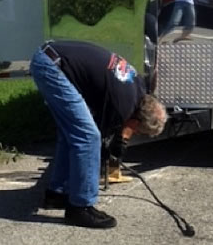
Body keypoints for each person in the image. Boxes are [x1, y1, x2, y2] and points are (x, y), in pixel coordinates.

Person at [30, 40, 167, 229]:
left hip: (50, 57)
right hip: (54, 67)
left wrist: (114, 142)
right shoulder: (122, 106)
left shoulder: (138, 88)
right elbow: (97, 138)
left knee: (70, 133)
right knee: (88, 138)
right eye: (137, 131)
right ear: (139, 121)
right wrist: (104, 150)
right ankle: (81, 207)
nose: (133, 133)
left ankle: (57, 193)